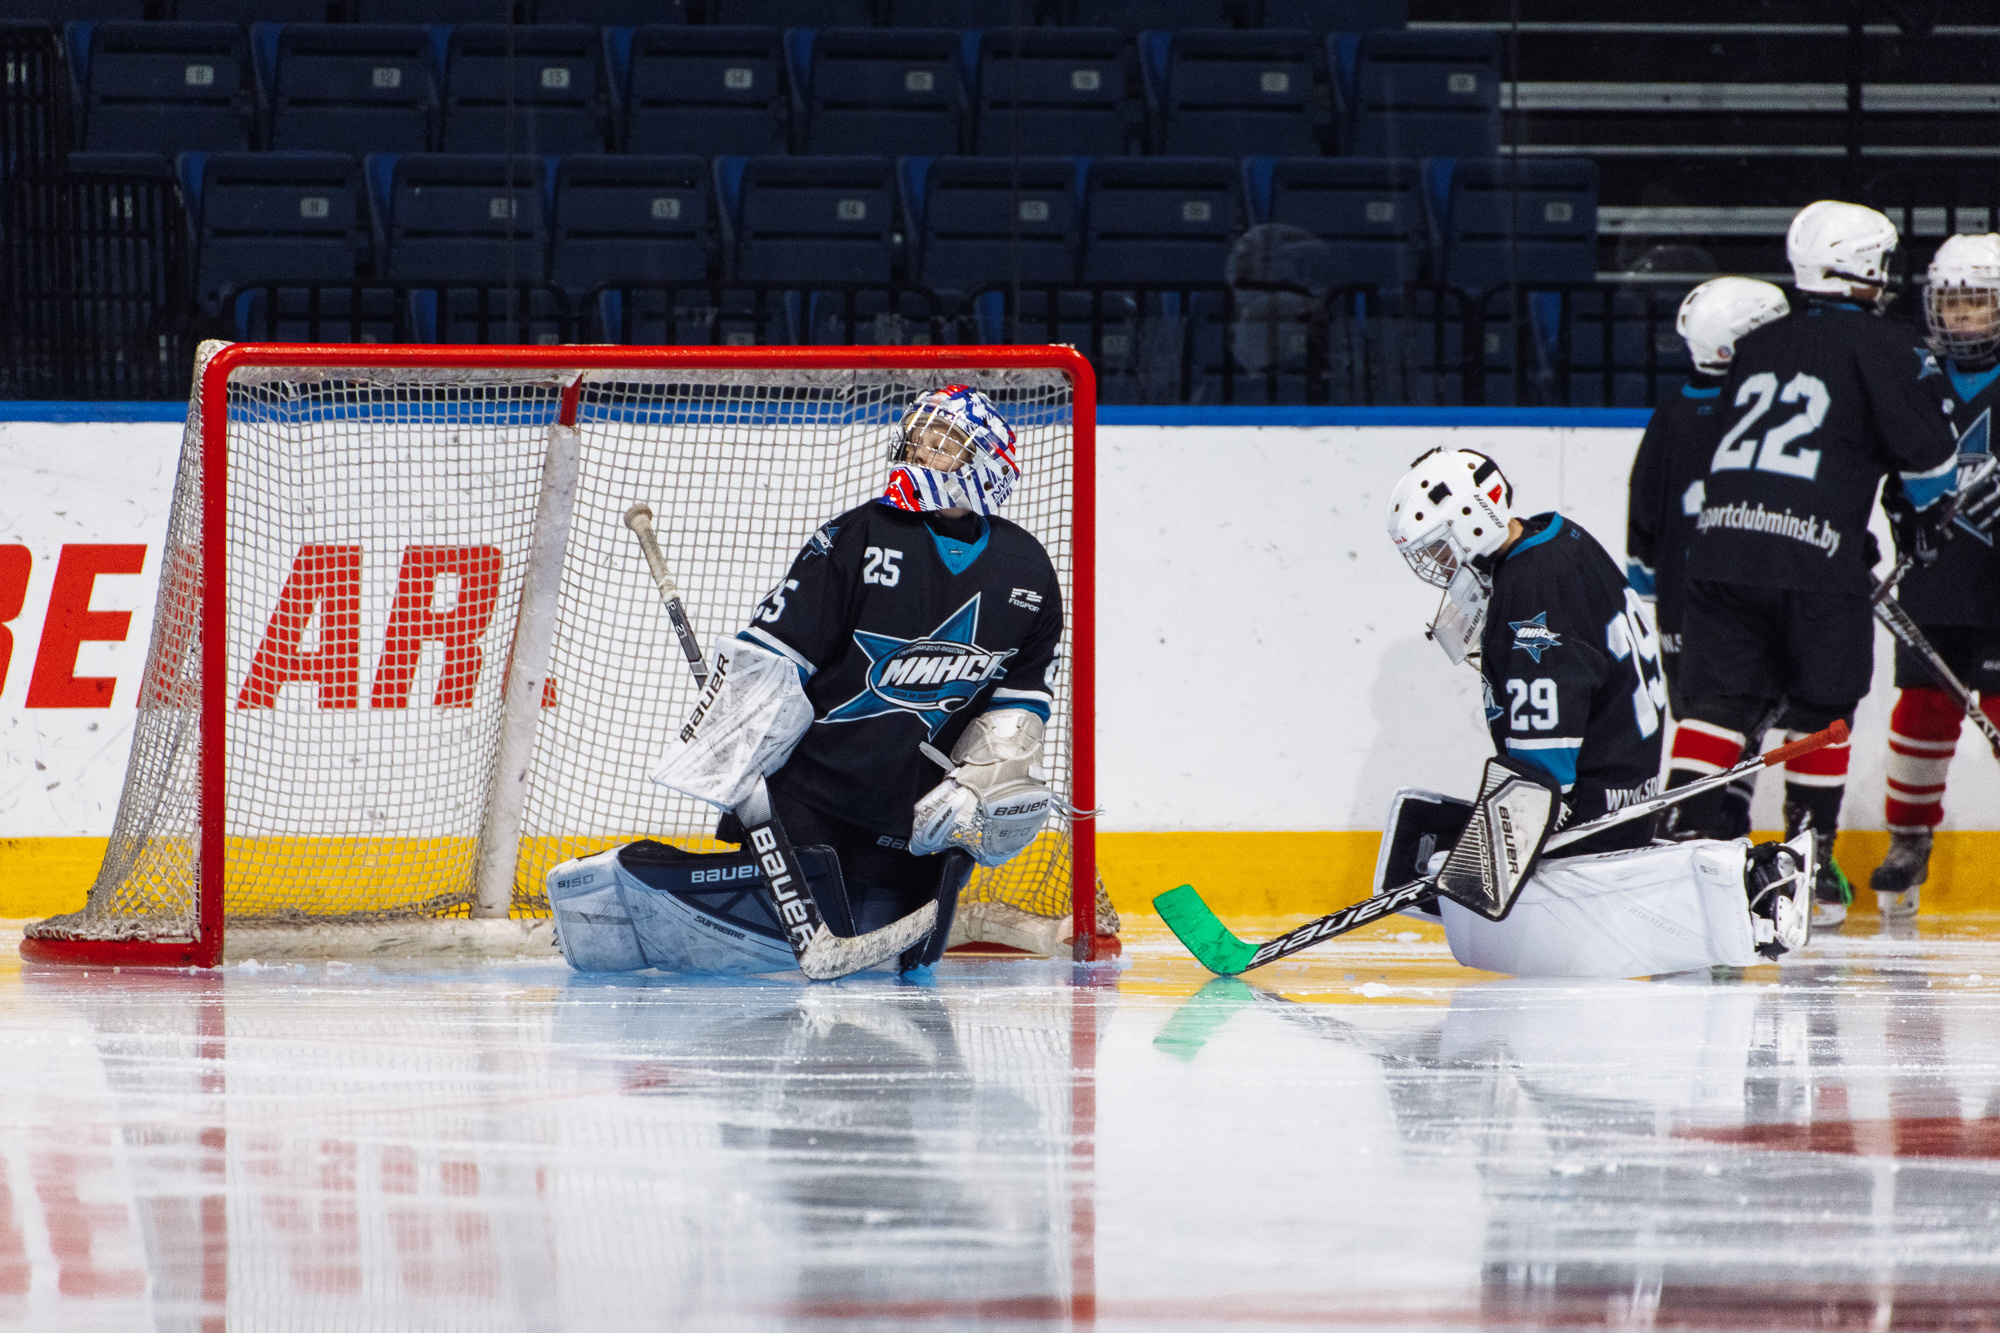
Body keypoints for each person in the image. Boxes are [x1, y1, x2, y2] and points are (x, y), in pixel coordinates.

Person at [550, 386, 1066, 976]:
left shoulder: (1026, 570)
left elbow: (1016, 706)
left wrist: (979, 786)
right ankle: (625, 885)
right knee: (766, 955)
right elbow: (776, 653)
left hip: (914, 810)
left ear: (989, 464)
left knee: (897, 955)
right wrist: (736, 733)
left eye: (944, 441)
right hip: (812, 794)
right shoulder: (859, 534)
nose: (922, 450)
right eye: (917, 436)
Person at [1382, 447, 1813, 977]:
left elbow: (1545, 753)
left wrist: (1515, 838)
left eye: (1442, 546)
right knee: (1426, 839)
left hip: (1592, 817)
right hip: (1630, 793)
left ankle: (1752, 886)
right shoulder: (1560, 538)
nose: (1440, 565)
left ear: (1473, 518)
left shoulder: (1528, 592)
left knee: (1437, 867)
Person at [1660, 200, 1960, 928]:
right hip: (1815, 559)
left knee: (1716, 708)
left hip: (1723, 547)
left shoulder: (1761, 342)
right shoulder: (1889, 347)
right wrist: (1917, 521)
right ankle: (1809, 858)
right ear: (1868, 265)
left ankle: (1681, 846)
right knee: (1820, 707)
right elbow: (1931, 463)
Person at [1626, 276, 1792, 838]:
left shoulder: (1671, 413)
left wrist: (1652, 591)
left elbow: (1644, 516)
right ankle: (1717, 823)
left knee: (1711, 715)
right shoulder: (1757, 414)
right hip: (1740, 596)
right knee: (1747, 712)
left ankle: (1709, 824)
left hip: (1678, 607)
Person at [1871, 234, 2000, 918]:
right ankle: (1909, 839)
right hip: (1936, 574)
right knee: (1922, 711)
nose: (1964, 316)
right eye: (1953, 302)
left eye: (1979, 301)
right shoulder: (1917, 375)